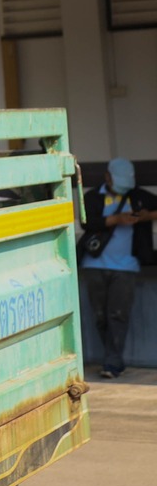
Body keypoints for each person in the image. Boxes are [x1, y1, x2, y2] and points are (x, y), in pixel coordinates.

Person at [81, 158, 156, 378]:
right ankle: (113, 358)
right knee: (100, 316)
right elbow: (87, 222)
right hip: (94, 264)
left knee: (118, 314)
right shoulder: (94, 196)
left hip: (126, 266)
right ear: (107, 177)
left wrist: (147, 216)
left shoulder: (139, 196)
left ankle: (112, 362)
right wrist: (117, 219)